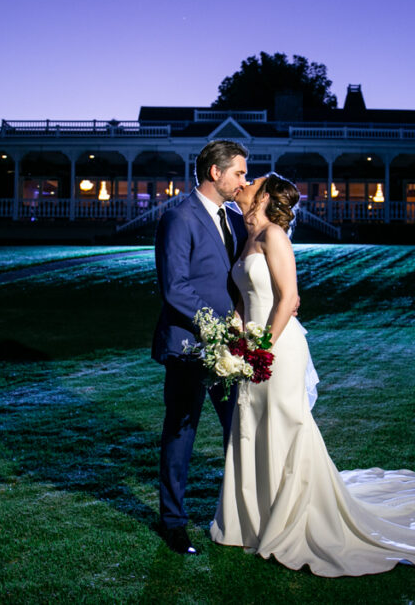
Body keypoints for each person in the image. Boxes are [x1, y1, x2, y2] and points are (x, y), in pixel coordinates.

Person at [209, 172, 415, 577]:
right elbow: (245, 297)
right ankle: (251, 519)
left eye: (252, 181)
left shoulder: (274, 236)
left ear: (263, 196)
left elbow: (288, 300)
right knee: (252, 426)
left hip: (278, 350)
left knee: (284, 425)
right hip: (253, 349)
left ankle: (290, 518)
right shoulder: (247, 238)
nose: (244, 184)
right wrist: (237, 335)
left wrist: (260, 348)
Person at [152, 139, 250, 555]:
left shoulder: (234, 219)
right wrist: (219, 326)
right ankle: (173, 522)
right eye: (240, 173)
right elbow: (175, 289)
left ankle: (241, 515)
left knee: (241, 430)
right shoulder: (179, 218)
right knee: (181, 432)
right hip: (190, 345)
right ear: (216, 172)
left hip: (232, 349)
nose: (243, 181)